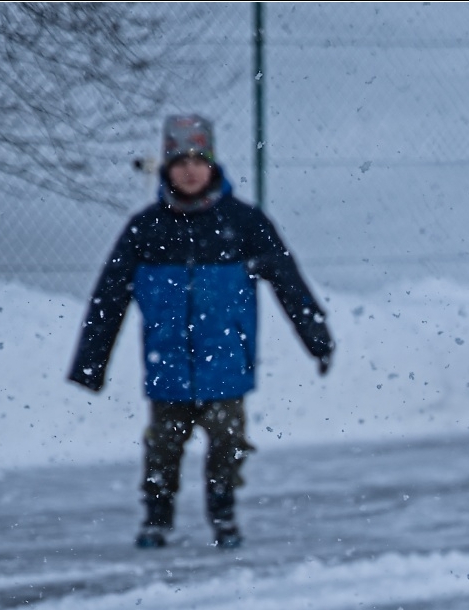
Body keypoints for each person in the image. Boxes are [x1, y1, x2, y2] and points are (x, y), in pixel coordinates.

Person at [68, 114, 334, 549]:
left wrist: (316, 337)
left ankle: (223, 512)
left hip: (225, 362)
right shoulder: (146, 228)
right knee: (162, 447)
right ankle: (157, 516)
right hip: (168, 363)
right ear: (167, 168)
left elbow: (289, 282)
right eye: (180, 162)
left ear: (212, 165)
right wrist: (90, 364)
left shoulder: (244, 223)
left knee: (228, 443)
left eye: (198, 160)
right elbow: (108, 297)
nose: (190, 171)